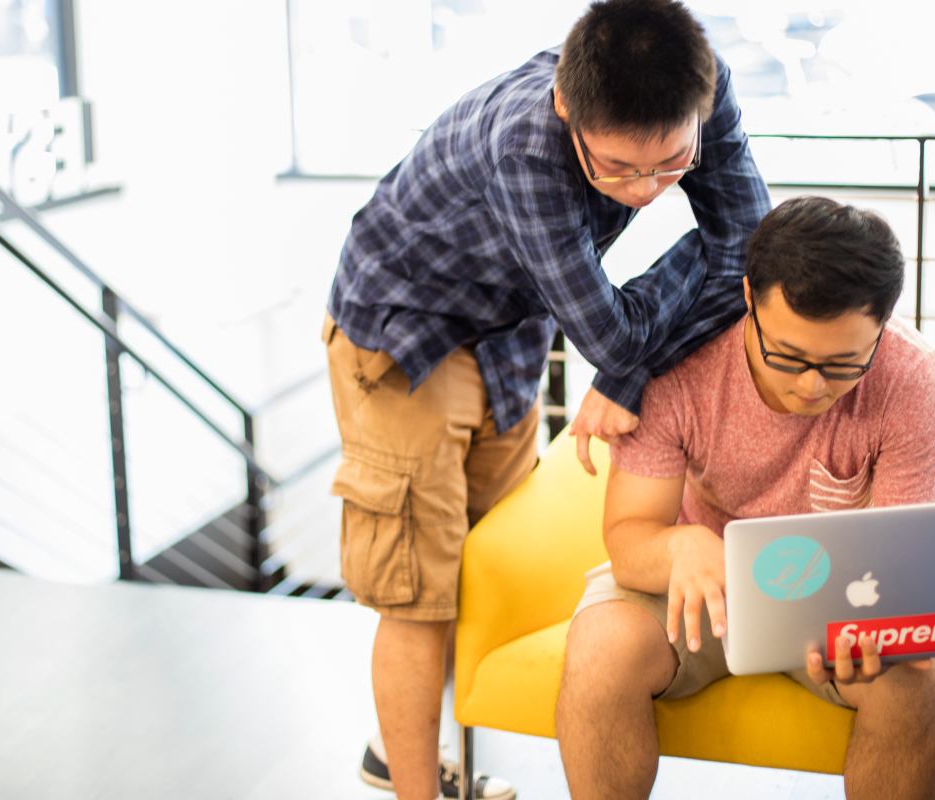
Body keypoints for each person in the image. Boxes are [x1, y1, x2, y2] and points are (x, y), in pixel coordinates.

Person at [323, 1, 770, 797]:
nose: (643, 194)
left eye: (671, 165)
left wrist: (630, 363)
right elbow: (616, 335)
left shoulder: (706, 89)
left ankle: (404, 754)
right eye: (617, 169)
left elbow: (750, 247)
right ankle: (416, 787)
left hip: (509, 330)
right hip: (404, 332)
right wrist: (626, 365)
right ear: (568, 111)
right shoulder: (525, 143)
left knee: (482, 565)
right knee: (418, 591)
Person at [554, 196, 935, 800]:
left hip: (840, 605)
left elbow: (900, 565)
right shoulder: (677, 366)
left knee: (915, 682)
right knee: (600, 646)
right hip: (701, 588)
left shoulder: (914, 379)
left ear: (882, 326)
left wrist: (878, 629)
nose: (811, 386)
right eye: (787, 356)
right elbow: (630, 539)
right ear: (748, 298)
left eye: (844, 364)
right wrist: (680, 546)